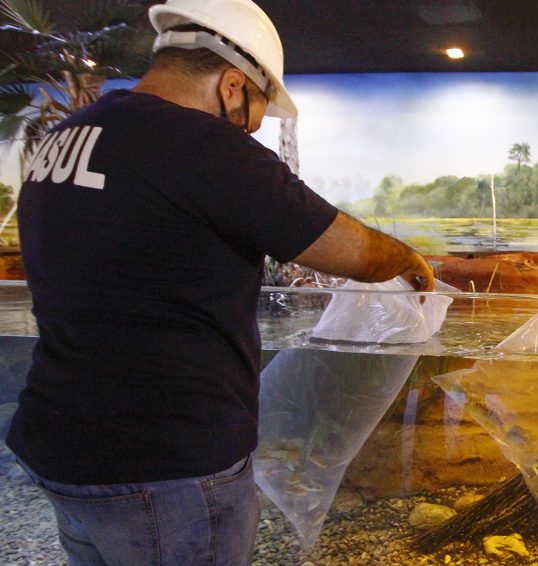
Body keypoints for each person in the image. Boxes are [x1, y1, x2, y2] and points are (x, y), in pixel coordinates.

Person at [5, 0, 433, 564]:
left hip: (59, 440)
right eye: (255, 112)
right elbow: (353, 253)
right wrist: (406, 258)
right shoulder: (203, 146)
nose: (253, 130)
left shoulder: (69, 133)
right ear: (233, 85)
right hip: (164, 462)